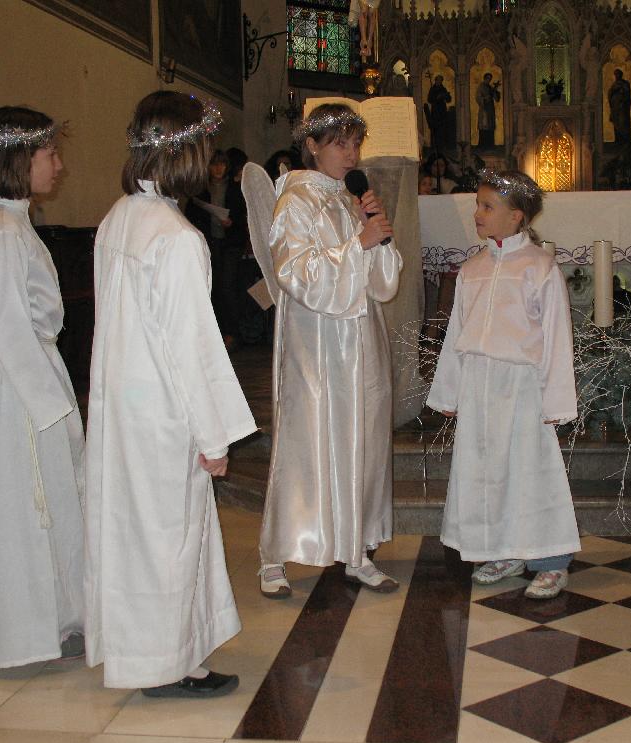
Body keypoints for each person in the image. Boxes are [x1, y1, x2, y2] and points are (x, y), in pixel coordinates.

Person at [85, 91, 257, 696]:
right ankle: (165, 664)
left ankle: (149, 652)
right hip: (163, 411)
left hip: (121, 406)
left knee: (135, 535)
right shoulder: (178, 237)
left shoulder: (118, 217)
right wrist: (214, 437)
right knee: (170, 536)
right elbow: (192, 347)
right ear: (187, 153)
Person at [257, 104, 403, 598]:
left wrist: (377, 237)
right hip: (317, 342)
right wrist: (359, 244)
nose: (351, 153)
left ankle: (356, 548)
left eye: (355, 143)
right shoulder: (295, 199)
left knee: (362, 438)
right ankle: (275, 554)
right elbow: (296, 274)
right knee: (308, 441)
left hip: (361, 339)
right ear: (312, 146)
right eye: (340, 143)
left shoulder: (351, 197)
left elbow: (383, 284)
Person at [0, 106, 85, 668]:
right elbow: (2, 323)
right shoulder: (1, 229)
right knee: (27, 503)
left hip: (27, 370)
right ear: (19, 159)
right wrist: (50, 405)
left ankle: (59, 618)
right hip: (16, 382)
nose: (58, 166)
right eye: (50, 154)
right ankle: (32, 631)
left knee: (51, 500)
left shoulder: (9, 221)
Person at [426, 169, 580, 599]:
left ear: (516, 217)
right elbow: (457, 334)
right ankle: (502, 549)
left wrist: (556, 400)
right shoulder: (473, 269)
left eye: (487, 206)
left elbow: (556, 336)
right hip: (478, 385)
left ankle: (550, 560)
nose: (477, 213)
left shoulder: (539, 267)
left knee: (530, 471)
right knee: (486, 473)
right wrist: (449, 391)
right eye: (477, 204)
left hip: (522, 387)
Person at [185, 148, 247, 347]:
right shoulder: (200, 190)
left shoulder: (236, 189)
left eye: (222, 164)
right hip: (210, 242)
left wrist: (231, 222)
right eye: (214, 164)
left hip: (230, 243)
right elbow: (191, 215)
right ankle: (216, 332)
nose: (218, 168)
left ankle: (232, 332)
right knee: (214, 286)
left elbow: (243, 216)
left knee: (228, 286)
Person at [425, 74, 453, 151]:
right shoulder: (432, 89)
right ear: (436, 81)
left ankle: (441, 146)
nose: (439, 82)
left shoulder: (443, 89)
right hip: (435, 112)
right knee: (435, 130)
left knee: (442, 130)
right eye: (438, 80)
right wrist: (437, 97)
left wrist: (446, 96)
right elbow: (429, 99)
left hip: (442, 111)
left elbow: (448, 100)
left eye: (440, 80)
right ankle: (435, 147)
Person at [476, 72, 501, 149]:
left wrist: (495, 90)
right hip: (484, 109)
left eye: (490, 79)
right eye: (488, 78)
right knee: (484, 126)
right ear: (485, 78)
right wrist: (485, 99)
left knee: (490, 126)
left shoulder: (490, 87)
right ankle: (483, 145)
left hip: (490, 109)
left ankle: (490, 145)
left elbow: (496, 99)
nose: (489, 80)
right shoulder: (481, 87)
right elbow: (478, 98)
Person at [608, 69, 631, 144]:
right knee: (616, 123)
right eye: (615, 74)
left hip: (622, 107)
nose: (616, 76)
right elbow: (610, 93)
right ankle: (618, 139)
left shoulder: (625, 83)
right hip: (615, 107)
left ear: (621, 75)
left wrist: (622, 99)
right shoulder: (614, 84)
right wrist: (613, 91)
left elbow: (627, 93)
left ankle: (625, 140)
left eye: (618, 74)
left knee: (623, 123)